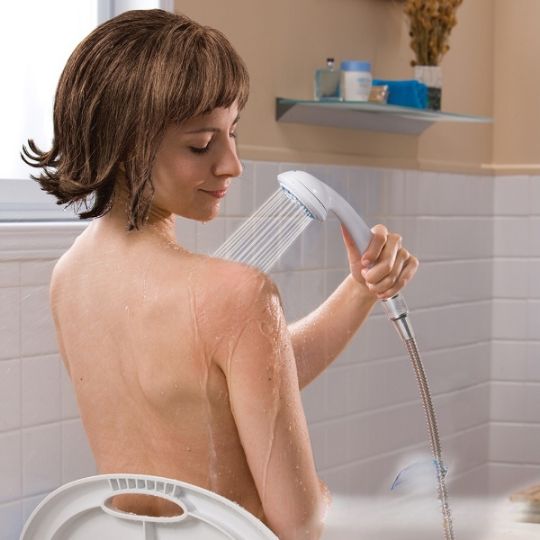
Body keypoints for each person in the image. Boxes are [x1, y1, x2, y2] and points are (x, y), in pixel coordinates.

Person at [22, 9, 418, 540]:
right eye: (201, 144)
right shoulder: (237, 294)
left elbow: (235, 380)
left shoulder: (68, 278)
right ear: (123, 143)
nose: (232, 164)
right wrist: (336, 504)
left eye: (232, 134)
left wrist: (359, 291)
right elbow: (298, 525)